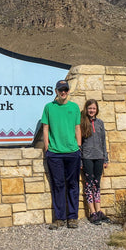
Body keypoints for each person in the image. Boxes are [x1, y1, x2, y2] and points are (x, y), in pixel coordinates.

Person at [41, 80, 82, 229]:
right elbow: (46, 128)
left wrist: (78, 147)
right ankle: (59, 218)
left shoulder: (74, 107)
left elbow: (77, 128)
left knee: (73, 184)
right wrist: (47, 148)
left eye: (65, 89)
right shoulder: (49, 107)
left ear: (68, 91)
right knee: (58, 185)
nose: (63, 92)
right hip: (55, 153)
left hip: (72, 152)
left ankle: (72, 217)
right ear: (56, 91)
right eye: (60, 90)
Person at [80, 99, 110, 225]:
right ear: (86, 109)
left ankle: (99, 211)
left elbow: (103, 141)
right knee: (88, 184)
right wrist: (80, 161)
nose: (91, 110)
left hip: (99, 157)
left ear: (96, 110)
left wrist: (105, 158)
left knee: (97, 185)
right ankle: (92, 212)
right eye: (89, 108)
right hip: (87, 158)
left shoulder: (100, 123)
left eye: (94, 108)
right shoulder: (82, 123)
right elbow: (79, 144)